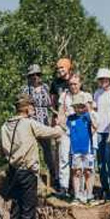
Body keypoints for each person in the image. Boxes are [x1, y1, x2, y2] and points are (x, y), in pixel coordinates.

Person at [0, 95, 65, 219]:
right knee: (28, 210)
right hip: (27, 172)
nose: (34, 109)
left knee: (15, 209)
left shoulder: (4, 126)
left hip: (12, 172)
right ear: (27, 108)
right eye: (32, 106)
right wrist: (60, 124)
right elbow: (54, 133)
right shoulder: (29, 124)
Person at [21, 64, 56, 187]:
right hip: (31, 124)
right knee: (31, 152)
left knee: (48, 152)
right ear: (29, 77)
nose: (35, 77)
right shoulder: (25, 90)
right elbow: (23, 105)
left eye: (38, 74)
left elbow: (50, 104)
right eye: (33, 75)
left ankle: (54, 177)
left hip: (44, 123)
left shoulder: (46, 87)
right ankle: (33, 178)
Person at [67, 92, 98, 204]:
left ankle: (89, 195)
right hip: (75, 150)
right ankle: (77, 195)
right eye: (76, 106)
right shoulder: (70, 118)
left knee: (88, 171)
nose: (78, 109)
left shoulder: (87, 117)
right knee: (76, 171)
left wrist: (89, 111)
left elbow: (95, 126)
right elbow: (65, 129)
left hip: (87, 149)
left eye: (81, 106)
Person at [93, 68, 110, 200]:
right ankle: (105, 187)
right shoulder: (97, 93)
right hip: (99, 130)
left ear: (109, 79)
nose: (103, 81)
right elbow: (95, 110)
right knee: (100, 162)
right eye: (100, 79)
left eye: (105, 79)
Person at [50, 58, 74, 196]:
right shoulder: (55, 83)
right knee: (60, 152)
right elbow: (53, 102)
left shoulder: (74, 81)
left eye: (62, 68)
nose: (59, 71)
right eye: (58, 69)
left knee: (73, 154)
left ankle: (73, 184)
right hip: (60, 120)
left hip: (74, 121)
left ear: (68, 68)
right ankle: (61, 183)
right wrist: (54, 119)